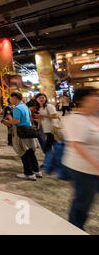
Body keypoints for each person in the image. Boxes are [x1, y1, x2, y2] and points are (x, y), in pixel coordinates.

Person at [62, 86, 99, 231]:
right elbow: (77, 145)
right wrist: (96, 165)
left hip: (93, 169)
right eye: (92, 96)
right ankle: (75, 228)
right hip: (83, 169)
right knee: (83, 202)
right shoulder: (74, 119)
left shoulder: (94, 116)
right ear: (81, 100)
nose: (97, 98)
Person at [3, 92, 42, 181]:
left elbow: (17, 121)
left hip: (21, 131)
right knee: (31, 151)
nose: (10, 100)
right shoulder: (25, 106)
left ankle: (29, 173)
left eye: (11, 98)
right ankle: (36, 171)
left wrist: (6, 122)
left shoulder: (16, 108)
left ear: (15, 98)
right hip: (29, 130)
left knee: (23, 152)